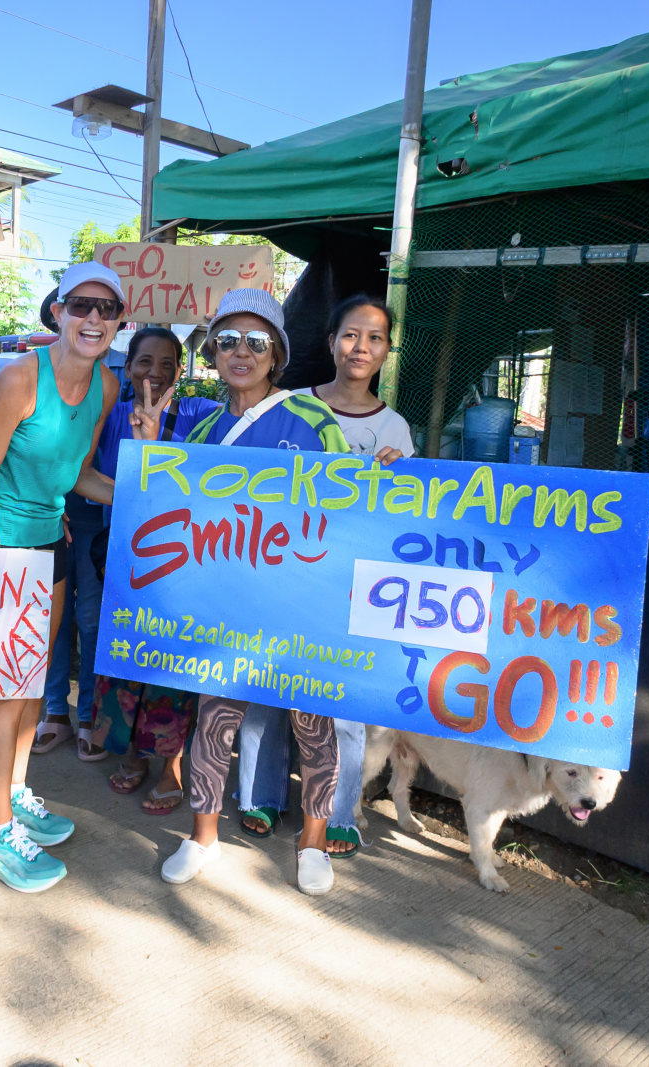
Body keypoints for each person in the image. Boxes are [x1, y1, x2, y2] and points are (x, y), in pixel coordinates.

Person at [130, 288, 350, 896]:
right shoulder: (201, 425)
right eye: (227, 341)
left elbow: (351, 511)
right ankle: (202, 836)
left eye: (256, 342)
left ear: (276, 355)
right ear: (213, 352)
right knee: (214, 718)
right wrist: (150, 452)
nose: (240, 353)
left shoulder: (313, 421)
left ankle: (312, 842)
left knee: (312, 723)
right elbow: (169, 509)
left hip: (297, 602)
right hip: (223, 604)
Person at [0, 261, 121, 892]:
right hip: (1, 550)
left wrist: (152, 499)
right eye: (81, 304)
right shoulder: (21, 377)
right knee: (5, 692)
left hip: (51, 547)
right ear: (56, 311)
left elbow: (81, 476)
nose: (93, 318)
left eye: (107, 310)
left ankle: (16, 792)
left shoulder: (107, 387)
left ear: (119, 324)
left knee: (31, 683)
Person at [239, 294, 413, 859]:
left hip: (350, 585)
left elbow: (401, 515)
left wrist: (393, 479)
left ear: (387, 351)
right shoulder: (285, 406)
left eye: (375, 338)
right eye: (350, 335)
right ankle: (260, 796)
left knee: (342, 699)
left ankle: (341, 812)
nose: (361, 347)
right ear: (331, 340)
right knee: (265, 687)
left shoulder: (395, 428)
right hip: (279, 576)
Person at [90, 327, 218, 812]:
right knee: (125, 660)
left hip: (187, 563)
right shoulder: (113, 415)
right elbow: (90, 475)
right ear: (129, 366)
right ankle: (132, 757)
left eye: (168, 364)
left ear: (181, 372)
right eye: (145, 362)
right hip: (128, 559)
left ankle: (170, 764)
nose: (156, 373)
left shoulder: (203, 417)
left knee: (173, 666)